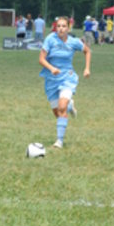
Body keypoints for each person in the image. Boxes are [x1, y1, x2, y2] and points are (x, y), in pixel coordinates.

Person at [39, 16, 91, 149]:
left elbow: (87, 51)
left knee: (62, 108)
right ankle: (70, 105)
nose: (61, 29)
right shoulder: (50, 39)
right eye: (58, 26)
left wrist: (86, 68)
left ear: (68, 28)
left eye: (63, 26)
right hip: (51, 80)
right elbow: (41, 59)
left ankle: (59, 141)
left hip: (67, 78)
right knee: (58, 113)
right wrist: (52, 68)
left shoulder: (74, 42)